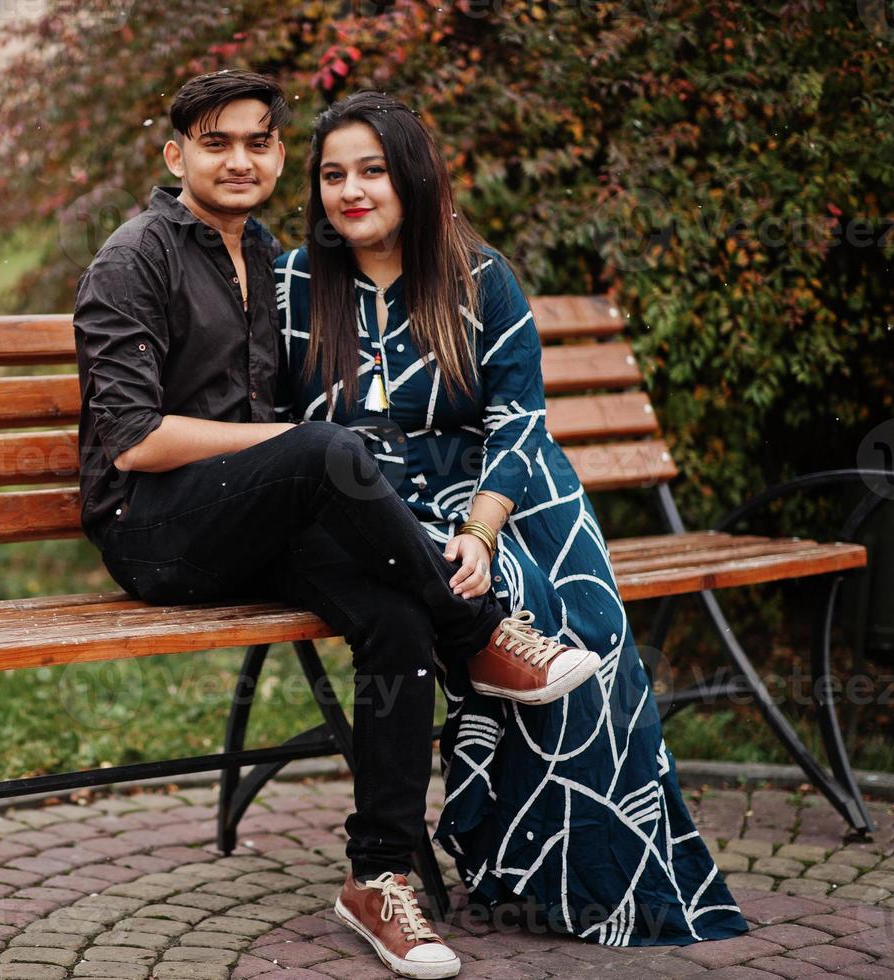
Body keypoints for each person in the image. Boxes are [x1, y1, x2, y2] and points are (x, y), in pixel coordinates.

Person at [74, 70, 601, 979]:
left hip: (253, 522)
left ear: (279, 156)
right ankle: (477, 634)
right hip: (156, 534)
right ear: (175, 155)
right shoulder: (135, 258)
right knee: (325, 445)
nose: (238, 160)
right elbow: (129, 440)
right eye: (215, 143)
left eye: (257, 143)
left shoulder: (274, 258)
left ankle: (378, 879)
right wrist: (296, 439)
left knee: (392, 614)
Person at [277, 90, 751, 953]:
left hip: (506, 493)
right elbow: (280, 433)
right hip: (369, 504)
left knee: (577, 628)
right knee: (487, 615)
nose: (351, 190)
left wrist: (483, 526)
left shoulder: (477, 276)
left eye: (372, 171)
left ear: (412, 178)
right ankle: (502, 864)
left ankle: (576, 875)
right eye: (333, 174)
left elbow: (519, 419)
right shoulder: (297, 284)